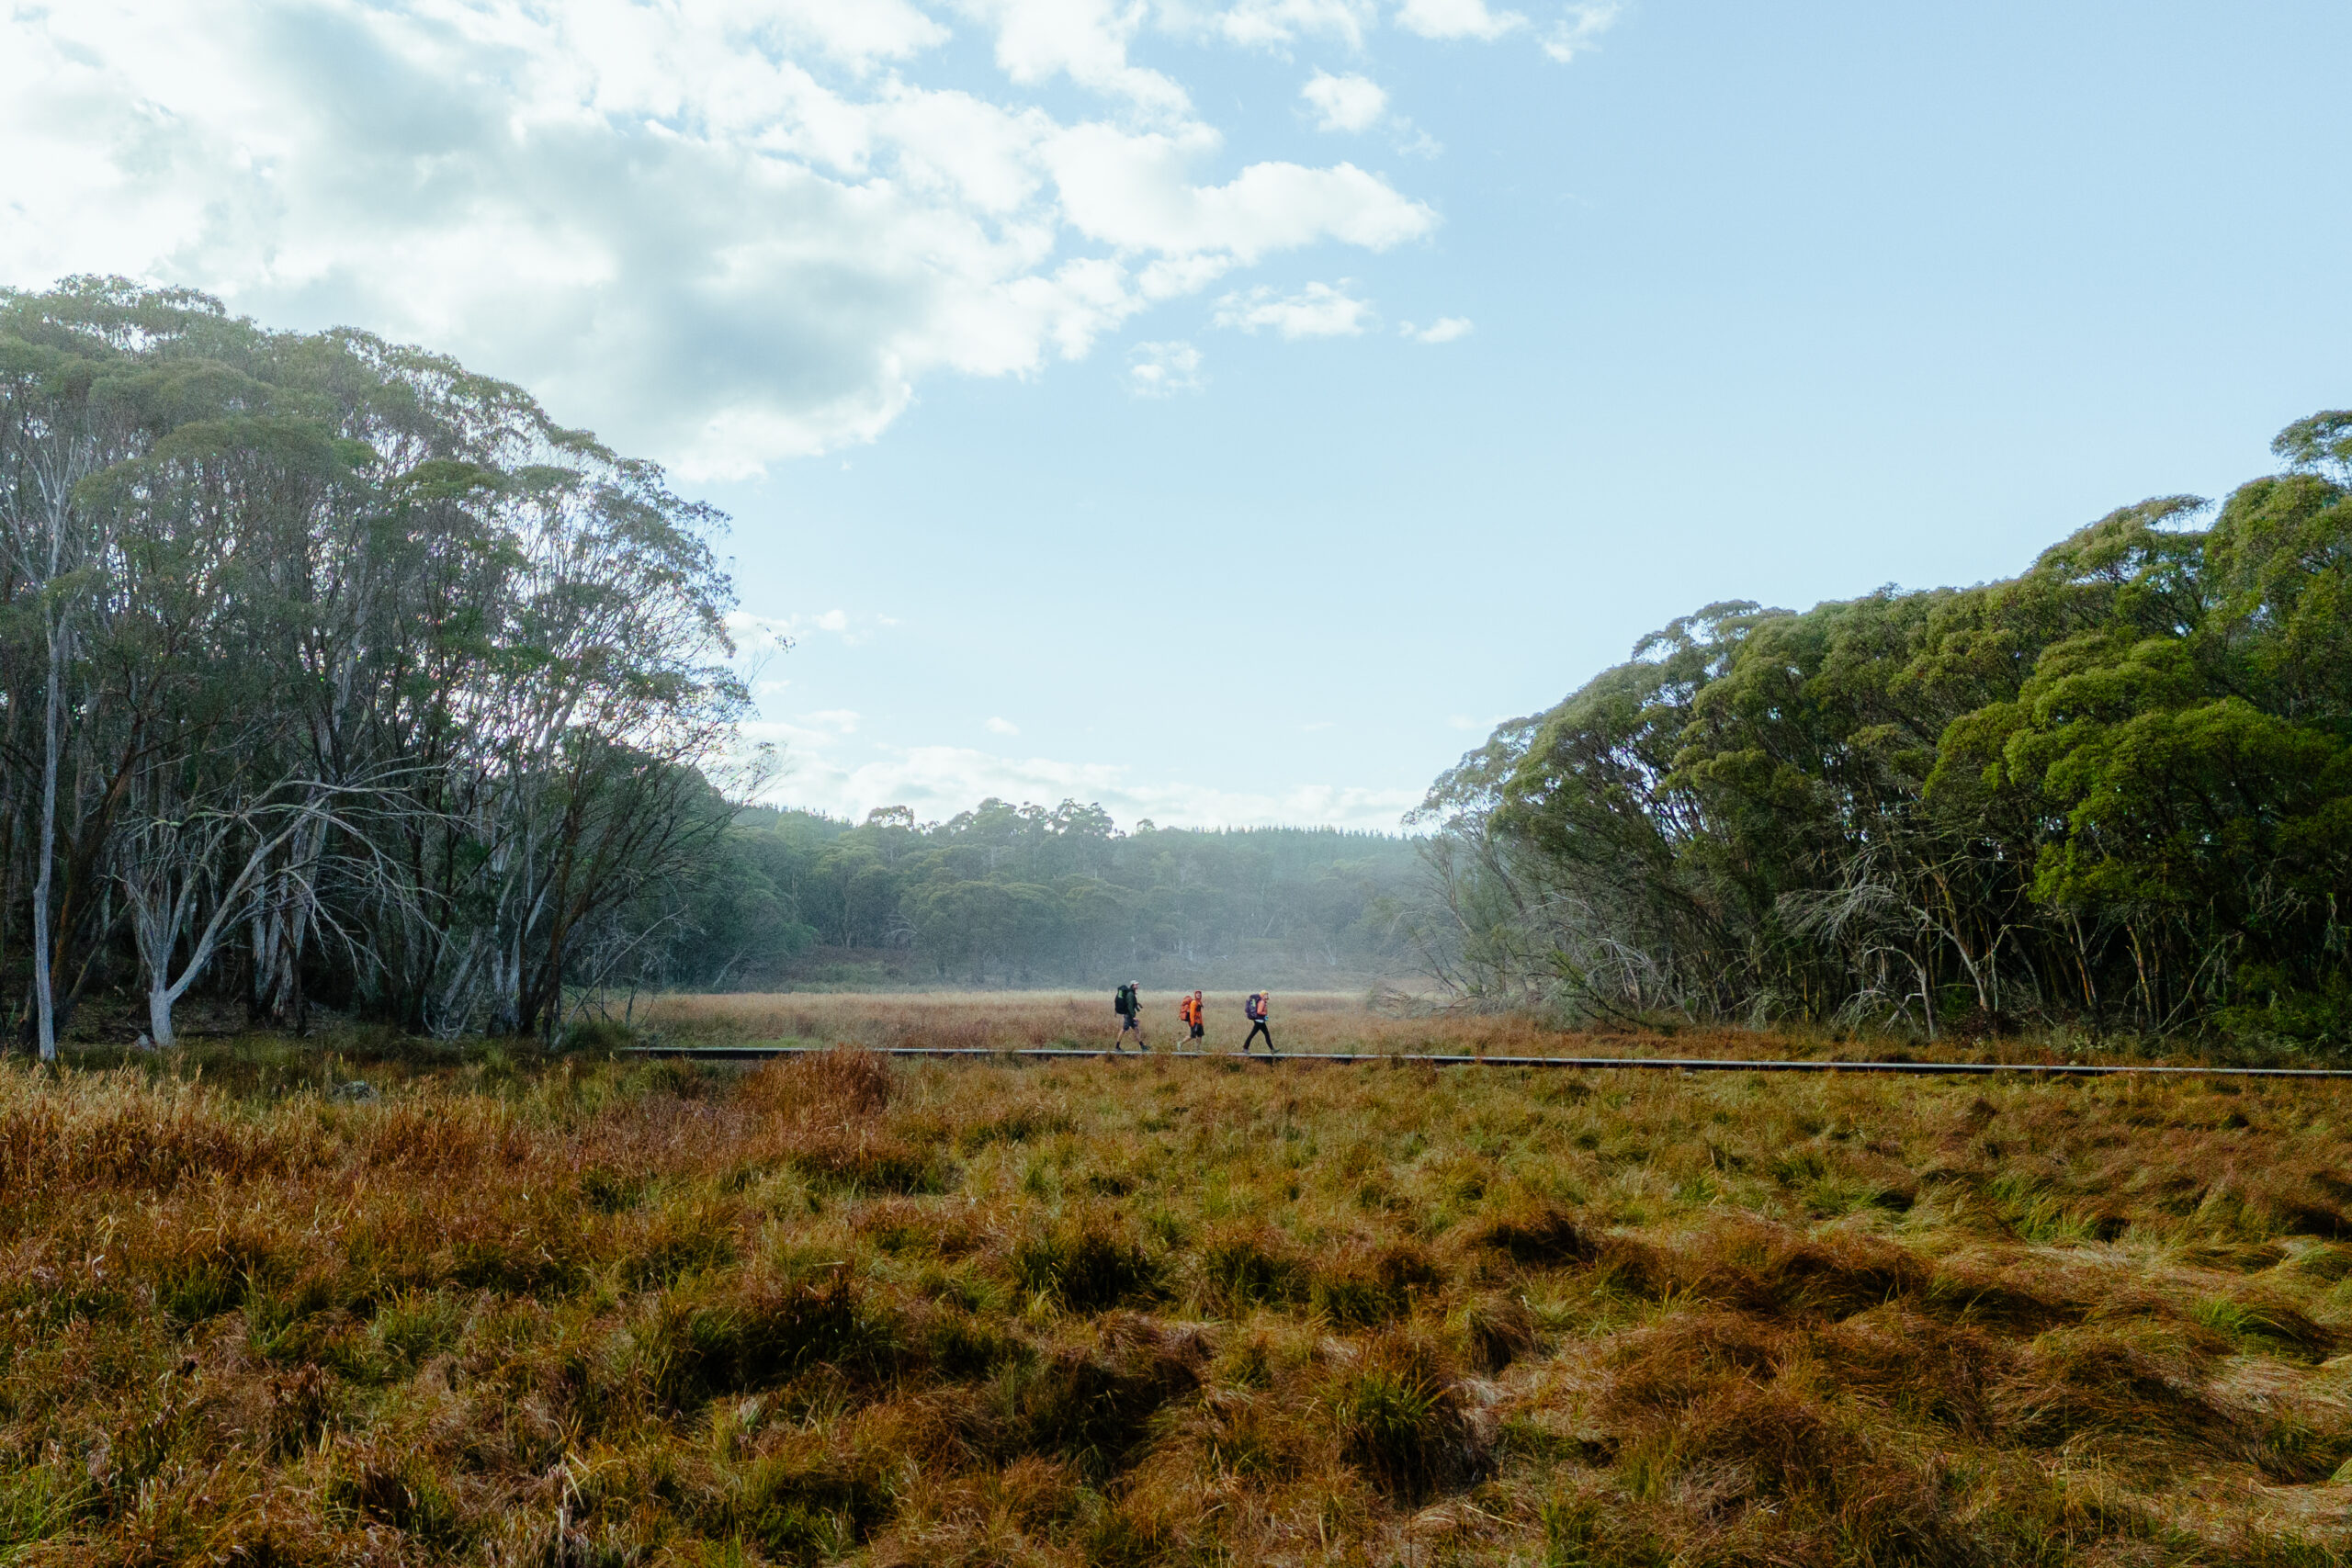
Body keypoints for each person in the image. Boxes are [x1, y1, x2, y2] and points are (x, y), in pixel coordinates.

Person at [1113, 980, 1145, 1051]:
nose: (1137, 986)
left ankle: (1143, 1047)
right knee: (1123, 1030)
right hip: (1128, 1015)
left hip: (1129, 1015)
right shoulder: (1130, 994)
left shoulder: (1131, 993)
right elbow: (1130, 1006)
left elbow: (1132, 1004)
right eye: (1135, 985)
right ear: (1132, 985)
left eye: (1137, 985)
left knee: (1136, 1029)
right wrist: (1133, 1016)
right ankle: (1117, 1047)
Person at [1242, 990, 1274, 1055]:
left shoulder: (1263, 1002)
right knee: (1254, 1035)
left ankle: (1272, 1049)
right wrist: (1265, 1013)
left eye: (1267, 994)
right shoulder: (1262, 1002)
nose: (1267, 996)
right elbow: (1259, 1012)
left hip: (1260, 1021)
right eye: (1265, 995)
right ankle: (1245, 1048)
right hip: (1259, 1021)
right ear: (1262, 995)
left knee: (1266, 1034)